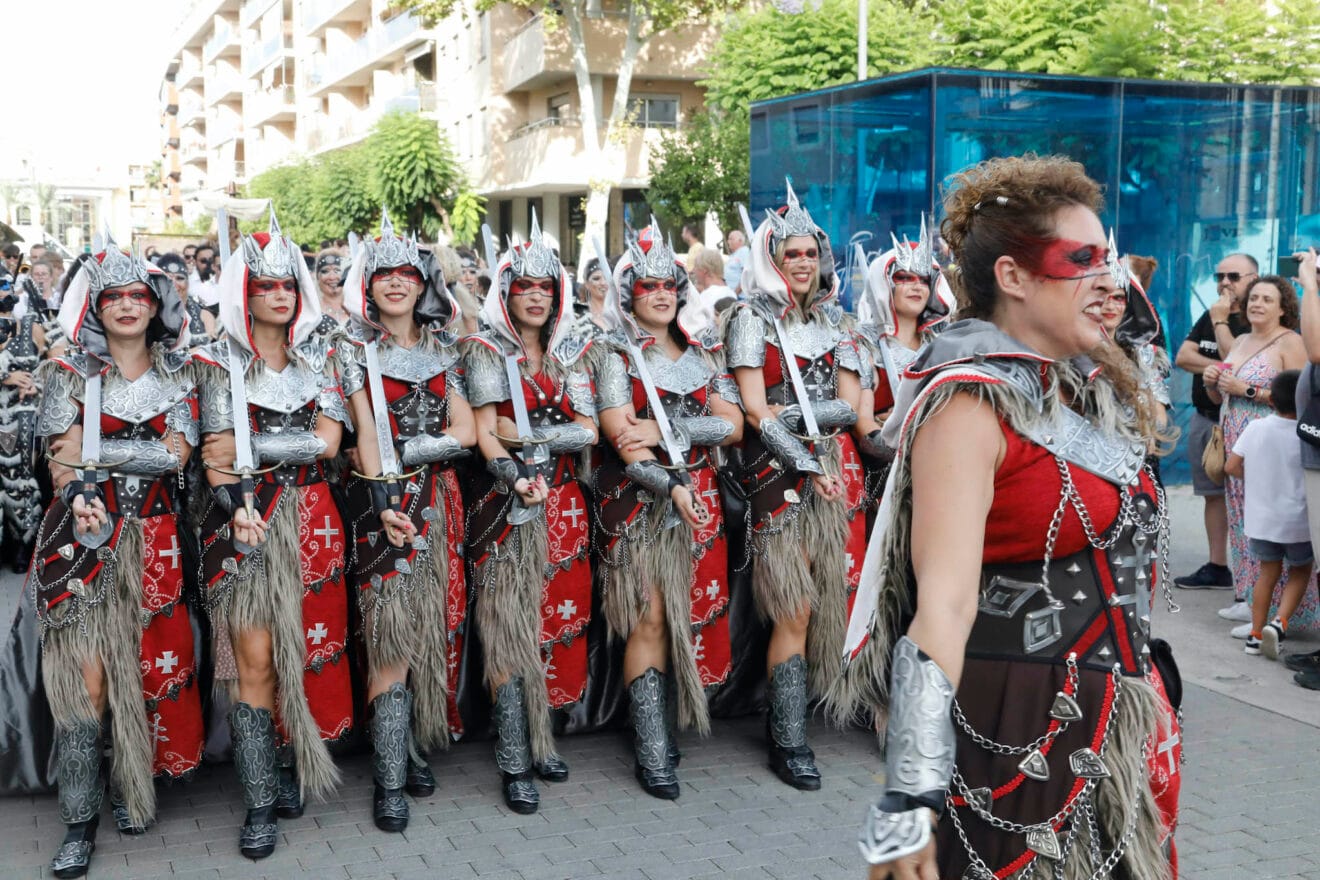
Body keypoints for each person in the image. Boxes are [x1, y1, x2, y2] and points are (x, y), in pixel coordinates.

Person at [843, 156, 1180, 879]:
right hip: (1016, 729)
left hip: (1116, 727)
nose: (1109, 280)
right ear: (1013, 276)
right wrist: (908, 796)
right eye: (1081, 260)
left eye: (1109, 260)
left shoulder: (1075, 389)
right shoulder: (970, 401)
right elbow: (943, 605)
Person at [31, 235, 205, 877]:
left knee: (147, 666)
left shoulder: (181, 374)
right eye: (113, 296)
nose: (127, 306)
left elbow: (177, 458)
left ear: (155, 303)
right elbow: (61, 459)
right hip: (83, 536)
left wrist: (94, 460)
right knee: (86, 679)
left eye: (139, 295)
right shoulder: (68, 374)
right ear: (96, 306)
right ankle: (79, 822)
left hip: (155, 538)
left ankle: (136, 783)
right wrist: (78, 482)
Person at [194, 210, 352, 859]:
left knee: (304, 652)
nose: (280, 293)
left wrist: (258, 443)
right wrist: (248, 475)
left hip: (315, 521)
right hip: (244, 522)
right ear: (244, 293)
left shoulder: (323, 358)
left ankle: (291, 766)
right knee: (252, 661)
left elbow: (330, 440)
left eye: (289, 282)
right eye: (266, 285)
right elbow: (216, 453)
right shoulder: (211, 362)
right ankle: (259, 800)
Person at [725, 182, 867, 791]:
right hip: (775, 474)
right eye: (793, 253)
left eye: (811, 253)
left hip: (833, 470)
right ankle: (787, 740)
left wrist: (801, 420)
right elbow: (755, 411)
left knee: (823, 598)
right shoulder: (748, 318)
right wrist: (804, 454)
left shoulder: (841, 322)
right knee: (793, 603)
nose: (803, 262)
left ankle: (798, 716)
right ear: (773, 257)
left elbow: (851, 405)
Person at [337, 213, 475, 832]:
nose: (396, 283)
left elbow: (467, 431)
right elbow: (365, 433)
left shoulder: (445, 349)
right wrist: (387, 493)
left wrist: (411, 450)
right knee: (389, 634)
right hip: (380, 502)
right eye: (383, 273)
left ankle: (414, 746)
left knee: (427, 631)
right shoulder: (350, 348)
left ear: (424, 284)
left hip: (439, 502)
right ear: (368, 284)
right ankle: (388, 779)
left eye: (406, 273)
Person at [593, 224, 741, 799]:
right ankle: (651, 744)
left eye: (668, 284)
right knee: (650, 616)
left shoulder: (705, 354)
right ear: (629, 293)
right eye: (647, 285)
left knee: (686, 612)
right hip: (638, 502)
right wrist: (662, 457)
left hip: (697, 497)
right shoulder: (613, 356)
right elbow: (623, 442)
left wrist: (669, 427)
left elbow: (732, 426)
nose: (659, 293)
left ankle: (667, 723)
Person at [461, 215, 597, 814]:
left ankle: (543, 738)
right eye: (525, 287)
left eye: (546, 287)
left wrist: (534, 432)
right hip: (506, 505)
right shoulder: (485, 351)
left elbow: (591, 429)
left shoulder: (571, 353)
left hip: (565, 504)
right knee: (508, 631)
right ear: (507, 294)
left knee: (551, 626)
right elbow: (489, 436)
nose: (537, 296)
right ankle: (514, 758)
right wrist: (515, 464)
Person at [1203, 275, 1312, 635]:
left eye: (1267, 299)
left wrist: (1246, 388)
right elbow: (1224, 395)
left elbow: (1297, 397)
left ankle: (1280, 613)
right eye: (1254, 298)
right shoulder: (1241, 341)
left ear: (1284, 308)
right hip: (1238, 439)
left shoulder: (1291, 341)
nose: (1258, 304)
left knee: (1273, 523)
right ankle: (1248, 598)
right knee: (1241, 520)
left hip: (1273, 445)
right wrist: (1213, 384)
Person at [851, 218, 956, 500]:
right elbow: (863, 423)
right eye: (904, 278)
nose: (916, 286)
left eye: (923, 279)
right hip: (880, 481)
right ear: (886, 284)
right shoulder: (863, 342)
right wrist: (906, 453)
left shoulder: (943, 348)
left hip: (939, 475)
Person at [1173, 254, 1255, 591]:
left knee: (1247, 497)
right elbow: (1182, 357)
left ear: (1253, 277)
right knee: (1212, 495)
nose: (1224, 283)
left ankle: (1252, 573)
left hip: (1241, 424)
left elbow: (1236, 361)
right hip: (1205, 419)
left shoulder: (1253, 318)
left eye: (1233, 276)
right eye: (1219, 276)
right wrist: (1218, 365)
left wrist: (1221, 326)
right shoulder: (1212, 314)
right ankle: (1218, 565)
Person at [1224, 369, 1312, 658]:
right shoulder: (1306, 433)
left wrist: (1257, 481)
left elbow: (1231, 467)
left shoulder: (1256, 427)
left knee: (1266, 574)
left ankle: (1255, 634)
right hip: (1298, 521)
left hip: (1261, 519)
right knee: (1300, 571)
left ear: (1271, 400)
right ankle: (1280, 622)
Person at [0, 260, 47, 572]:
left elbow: (59, 363)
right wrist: (4, 376)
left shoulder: (32, 322)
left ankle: (23, 542)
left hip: (24, 413)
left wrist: (36, 383)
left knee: (22, 476)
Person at [157, 252, 215, 345]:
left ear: (188, 282)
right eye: (167, 278)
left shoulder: (204, 316)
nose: (174, 284)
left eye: (180, 278)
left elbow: (212, 349)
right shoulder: (148, 314)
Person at [688, 247, 736, 324]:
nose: (693, 270)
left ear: (704, 270)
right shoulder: (731, 293)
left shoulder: (707, 297)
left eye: (696, 267)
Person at [314, 251, 348, 325]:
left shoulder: (359, 307)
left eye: (338, 270)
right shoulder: (311, 311)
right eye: (325, 271)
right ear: (317, 277)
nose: (332, 277)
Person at [190, 244, 219, 308]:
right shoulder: (189, 282)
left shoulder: (221, 279)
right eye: (203, 261)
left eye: (211, 260)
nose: (208, 264)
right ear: (195, 262)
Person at [724, 229, 749, 293]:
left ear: (740, 241)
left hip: (739, 296)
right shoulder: (734, 255)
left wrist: (736, 293)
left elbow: (746, 275)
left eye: (731, 239)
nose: (728, 241)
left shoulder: (744, 251)